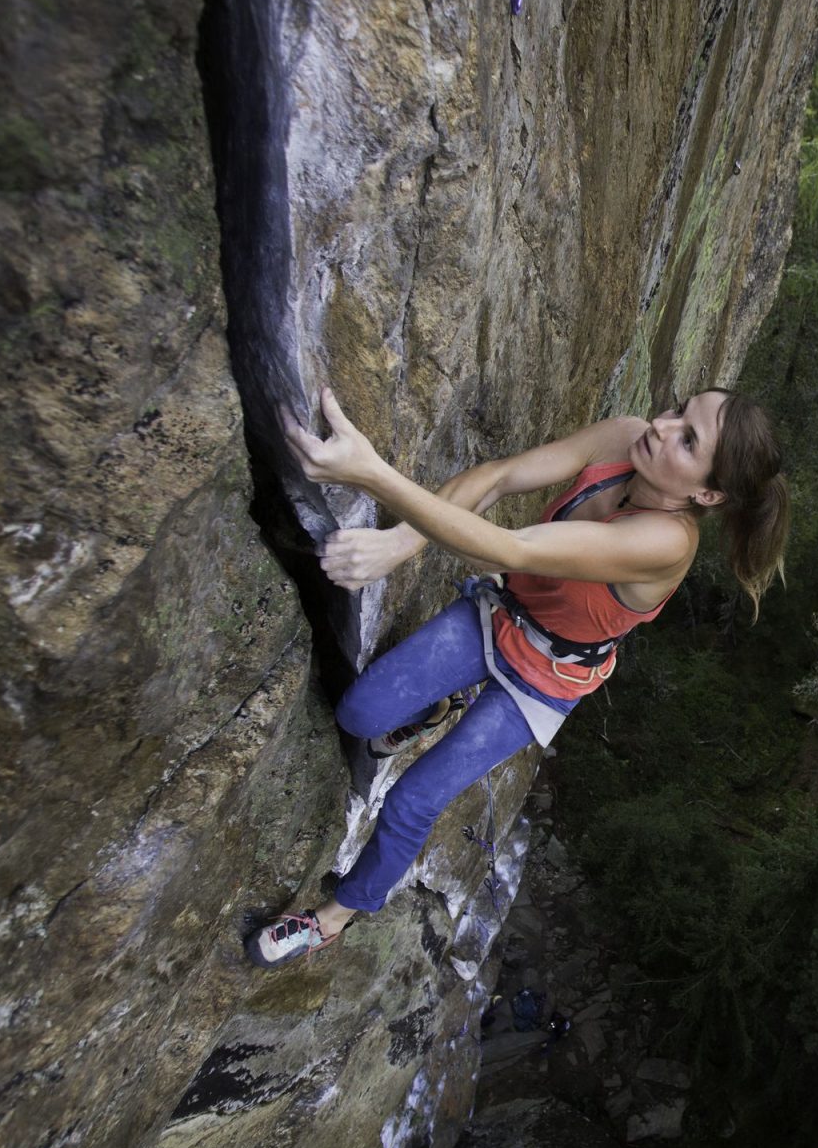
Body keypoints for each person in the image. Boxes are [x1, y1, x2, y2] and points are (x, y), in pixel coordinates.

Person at [246, 385, 789, 966]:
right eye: (678, 410)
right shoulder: (623, 438)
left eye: (688, 438)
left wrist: (371, 474)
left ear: (707, 492)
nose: (660, 425)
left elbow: (514, 546)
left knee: (413, 801)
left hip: (543, 680)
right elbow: (501, 476)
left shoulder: (665, 541)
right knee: (359, 715)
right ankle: (432, 711)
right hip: (501, 614)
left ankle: (337, 915)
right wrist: (401, 541)